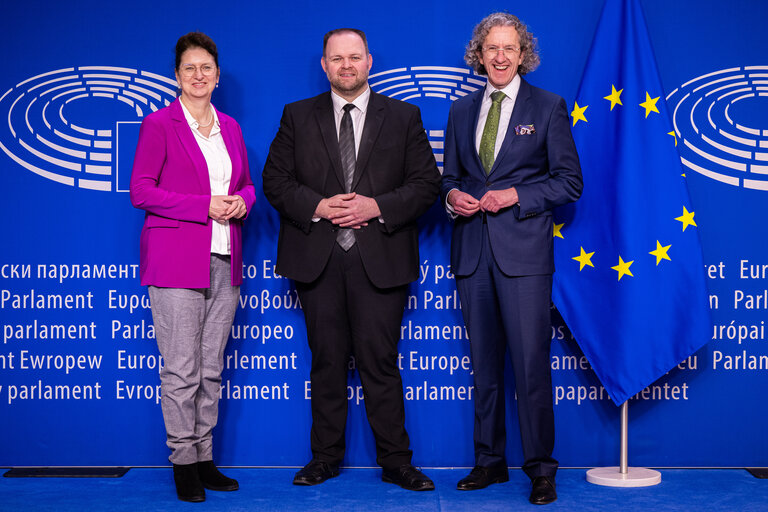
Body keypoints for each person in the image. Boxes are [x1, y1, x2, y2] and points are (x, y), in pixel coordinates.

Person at [262, 28, 439, 491]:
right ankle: (324, 458)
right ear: (324, 64)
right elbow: (274, 181)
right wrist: (319, 206)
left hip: (379, 256)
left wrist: (376, 206)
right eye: (337, 58)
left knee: (381, 363)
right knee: (326, 362)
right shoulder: (297, 117)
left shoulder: (403, 117)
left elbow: (425, 185)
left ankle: (396, 462)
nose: (346, 65)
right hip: (318, 258)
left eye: (354, 57)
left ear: (369, 61)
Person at [441, 13, 583, 505]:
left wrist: (514, 196)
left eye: (509, 48)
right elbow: (449, 178)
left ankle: (541, 468)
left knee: (529, 367)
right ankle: (489, 462)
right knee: (484, 368)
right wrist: (452, 197)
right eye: (491, 48)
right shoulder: (460, 111)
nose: (499, 57)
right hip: (472, 254)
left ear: (523, 54)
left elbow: (569, 183)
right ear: (478, 55)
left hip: (523, 257)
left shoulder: (547, 107)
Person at [129, 32, 255, 503]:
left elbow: (246, 188)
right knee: (181, 370)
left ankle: (204, 457)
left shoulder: (232, 128)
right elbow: (141, 190)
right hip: (176, 260)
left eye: (206, 69)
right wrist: (204, 206)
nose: (199, 76)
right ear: (176, 76)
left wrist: (239, 203)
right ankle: (183, 460)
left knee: (210, 369)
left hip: (225, 257)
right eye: (189, 69)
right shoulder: (159, 124)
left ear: (217, 77)